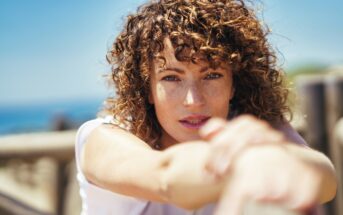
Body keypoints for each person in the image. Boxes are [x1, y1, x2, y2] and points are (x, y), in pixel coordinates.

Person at [75, 0, 337, 214]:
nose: (193, 100)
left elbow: (326, 182)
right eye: (171, 78)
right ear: (148, 89)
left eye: (211, 75)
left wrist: (279, 155)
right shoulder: (100, 138)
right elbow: (166, 178)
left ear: (235, 83)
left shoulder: (250, 126)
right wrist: (250, 161)